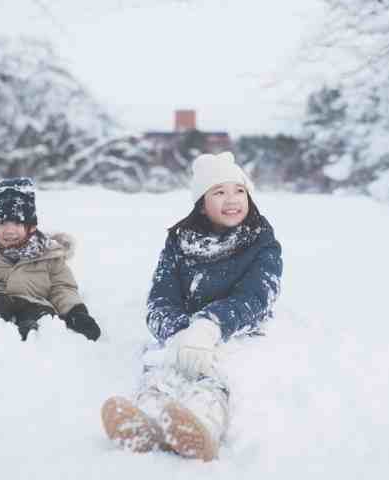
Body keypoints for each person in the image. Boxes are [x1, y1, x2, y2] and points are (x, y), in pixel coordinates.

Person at [101, 151, 283, 461]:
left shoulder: (261, 240)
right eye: (219, 192)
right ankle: (148, 416)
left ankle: (202, 423)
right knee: (162, 370)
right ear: (202, 201)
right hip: (182, 331)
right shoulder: (179, 241)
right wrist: (179, 333)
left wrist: (209, 326)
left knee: (211, 374)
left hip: (234, 329)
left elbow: (258, 294)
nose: (232, 199)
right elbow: (160, 298)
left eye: (239, 190)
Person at [0, 177, 101, 342]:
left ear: (31, 227)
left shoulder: (49, 255)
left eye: (17, 223)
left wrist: (75, 312)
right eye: (2, 223)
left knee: (43, 314)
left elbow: (62, 288)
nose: (9, 231)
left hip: (36, 303)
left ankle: (33, 334)